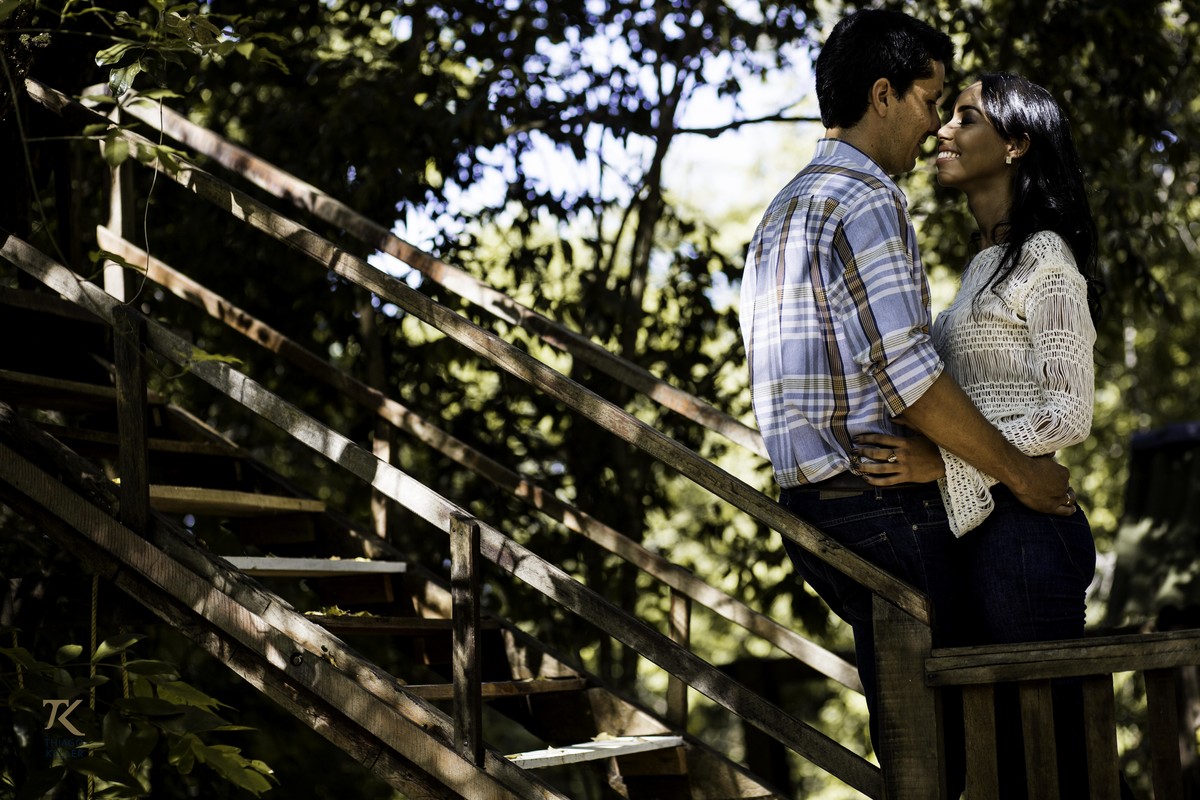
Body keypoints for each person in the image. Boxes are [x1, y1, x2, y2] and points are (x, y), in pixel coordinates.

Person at [738, 7, 1077, 780]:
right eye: (930, 102)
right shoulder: (867, 199)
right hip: (883, 506)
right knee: (976, 750)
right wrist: (1022, 473)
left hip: (813, 506)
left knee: (921, 745)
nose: (934, 128)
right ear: (883, 94)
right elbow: (912, 381)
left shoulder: (783, 209)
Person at [855, 73, 1103, 797]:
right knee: (1003, 768)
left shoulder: (1048, 259)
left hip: (1028, 535)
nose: (943, 129)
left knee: (1047, 765)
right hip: (986, 532)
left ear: (1017, 143)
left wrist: (946, 465)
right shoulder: (980, 267)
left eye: (967, 117)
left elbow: (1068, 413)